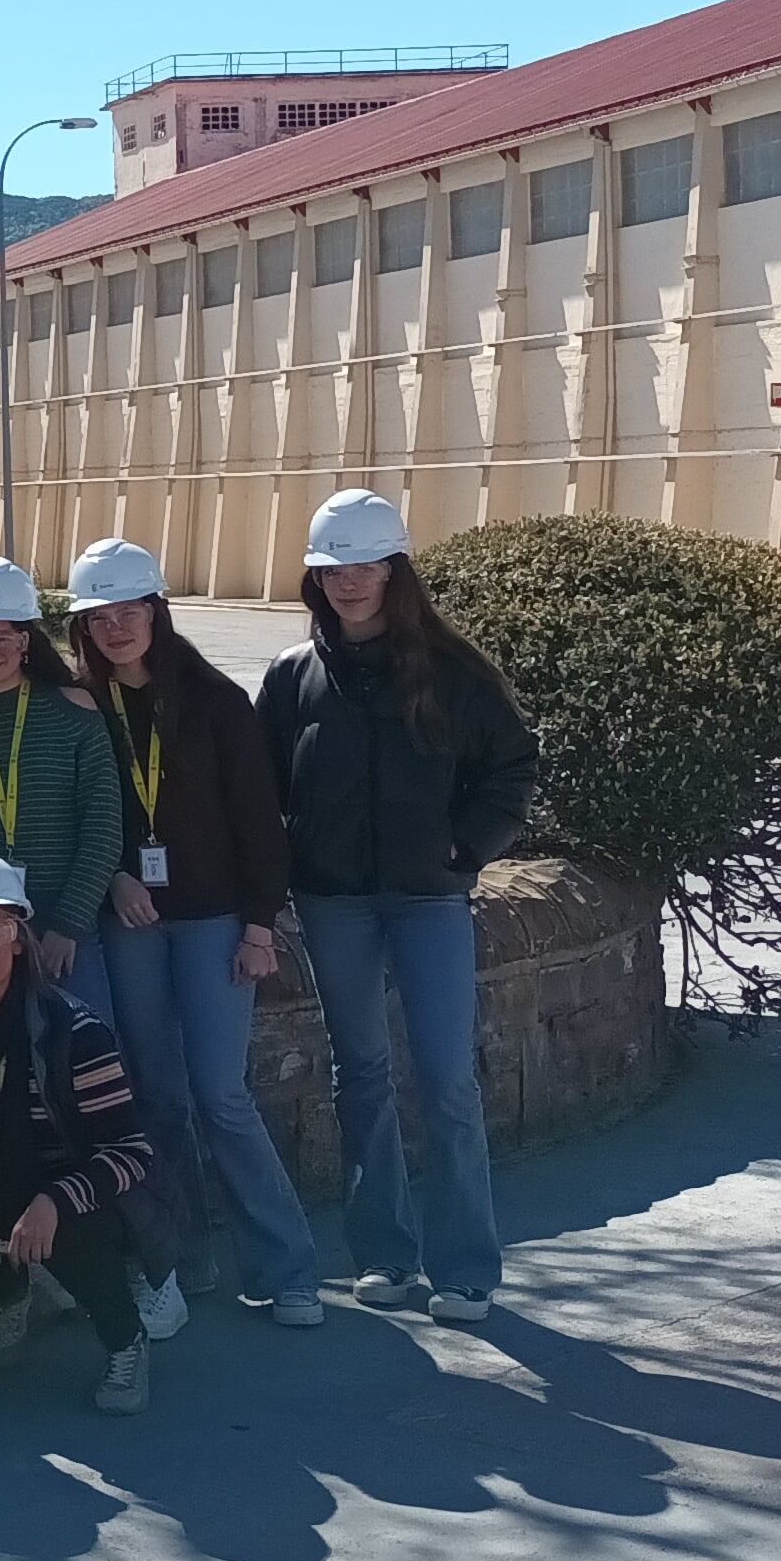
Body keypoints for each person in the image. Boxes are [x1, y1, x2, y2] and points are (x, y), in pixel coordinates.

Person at [258, 488, 539, 1327]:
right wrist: (275, 880)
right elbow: (260, 789)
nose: (350, 581)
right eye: (334, 567)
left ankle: (464, 1269)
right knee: (362, 1079)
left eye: (367, 564)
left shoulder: (454, 674)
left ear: (395, 570)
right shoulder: (291, 677)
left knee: (449, 1079)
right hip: (334, 900)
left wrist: (465, 848)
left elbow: (512, 766)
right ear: (316, 577)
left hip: (428, 901)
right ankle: (384, 1254)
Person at [68, 537, 323, 1329]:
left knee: (220, 1095)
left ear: (157, 611)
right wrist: (113, 873)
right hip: (133, 923)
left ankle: (289, 1268)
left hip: (214, 922)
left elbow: (260, 823)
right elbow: (87, 814)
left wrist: (258, 927)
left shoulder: (214, 702)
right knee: (156, 1098)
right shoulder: (83, 705)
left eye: (129, 611)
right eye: (98, 616)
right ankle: (179, 1257)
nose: (116, 628)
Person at [0, 850, 157, 1417]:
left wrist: (53, 1200)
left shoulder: (76, 1034)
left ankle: (126, 1340)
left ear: (20, 937)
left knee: (79, 1228)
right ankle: (9, 1294)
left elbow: (131, 1152)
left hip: (69, 1189)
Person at [0, 558, 123, 1002]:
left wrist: (68, 924)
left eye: (2, 639)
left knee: (81, 1054)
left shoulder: (75, 711)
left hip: (65, 928)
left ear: (25, 642)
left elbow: (102, 828)